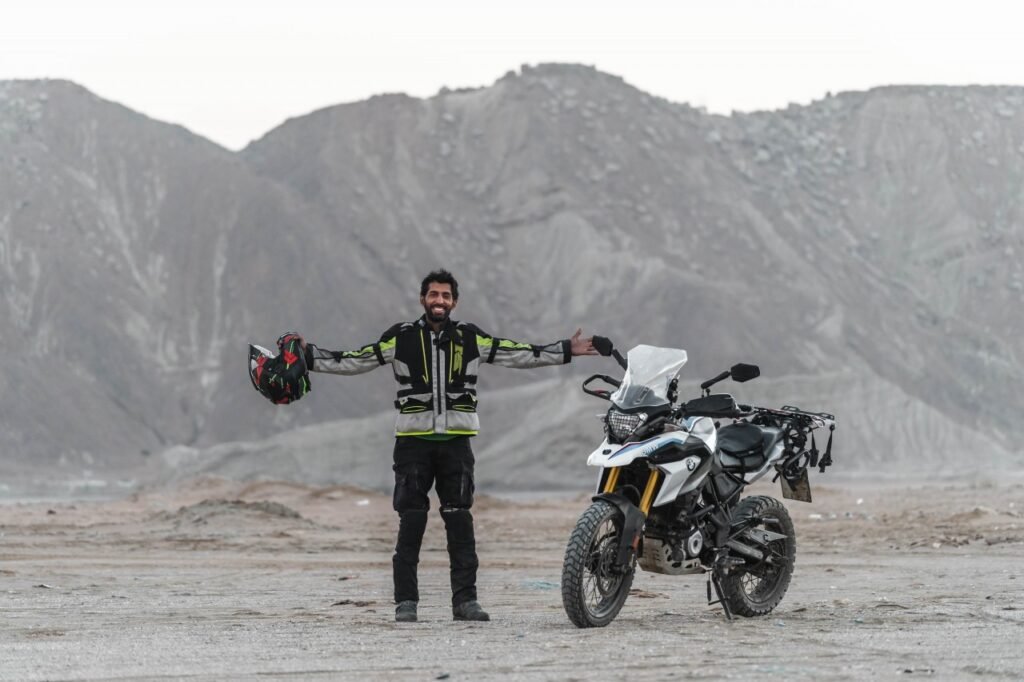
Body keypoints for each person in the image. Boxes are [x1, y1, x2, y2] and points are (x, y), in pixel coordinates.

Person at [300, 269, 597, 623]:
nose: (439, 300)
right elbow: (356, 359)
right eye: (433, 294)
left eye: (445, 295)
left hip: (457, 444)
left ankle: (465, 602)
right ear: (422, 299)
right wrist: (310, 357)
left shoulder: (470, 338)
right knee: (411, 521)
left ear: (454, 301)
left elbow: (518, 354)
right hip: (412, 445)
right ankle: (406, 603)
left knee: (460, 522)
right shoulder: (401, 338)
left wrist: (566, 350)